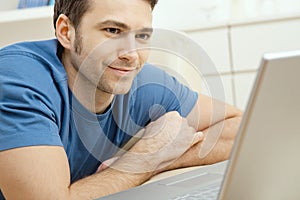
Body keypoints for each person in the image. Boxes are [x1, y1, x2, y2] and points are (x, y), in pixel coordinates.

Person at [0, 0, 242, 199]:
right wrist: (143, 158)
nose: (131, 54)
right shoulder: (17, 79)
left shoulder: (142, 83)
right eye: (113, 31)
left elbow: (239, 127)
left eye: (142, 36)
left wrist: (164, 156)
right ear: (66, 32)